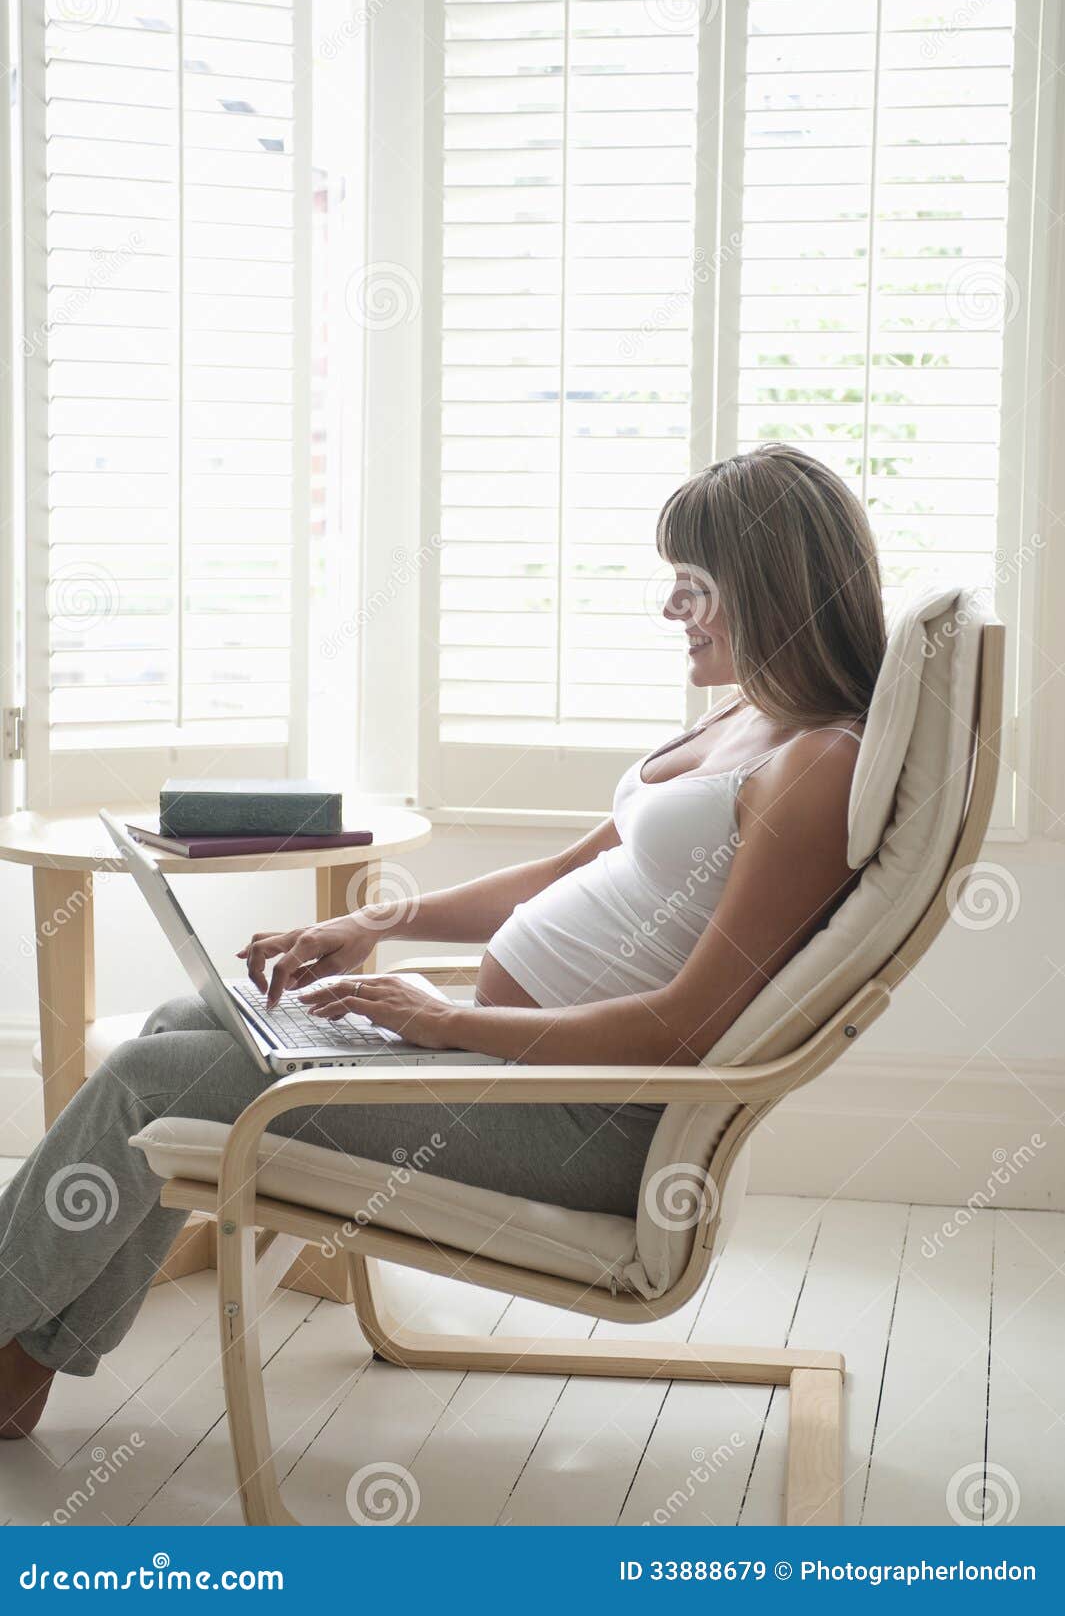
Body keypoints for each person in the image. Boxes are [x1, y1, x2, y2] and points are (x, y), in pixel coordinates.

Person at [0, 443, 886, 1437]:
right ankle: (24, 1362)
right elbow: (564, 874)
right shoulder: (742, 720)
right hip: (495, 1066)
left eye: (693, 586)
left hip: (573, 1118)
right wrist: (375, 921)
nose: (671, 609)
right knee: (180, 1020)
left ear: (771, 588)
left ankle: (8, 1349)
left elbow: (686, 1029)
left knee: (150, 1075)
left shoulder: (816, 766)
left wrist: (446, 1020)